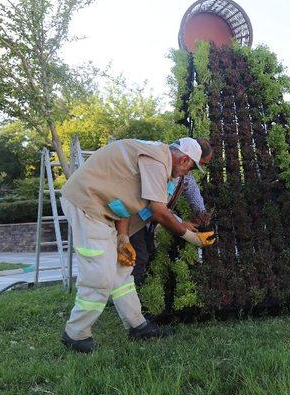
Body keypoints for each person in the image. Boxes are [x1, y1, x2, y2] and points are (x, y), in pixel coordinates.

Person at [59, 137, 215, 353]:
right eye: (191, 167)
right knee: (100, 274)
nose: (188, 173)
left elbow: (124, 200)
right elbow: (158, 211)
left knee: (122, 271)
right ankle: (75, 334)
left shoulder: (157, 157)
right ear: (184, 159)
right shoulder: (157, 161)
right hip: (87, 204)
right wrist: (189, 236)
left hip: (103, 208)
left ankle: (137, 325)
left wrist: (123, 237)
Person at [129, 138, 213, 287]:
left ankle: (133, 292)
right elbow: (159, 210)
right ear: (188, 158)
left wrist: (203, 215)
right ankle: (133, 292)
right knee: (139, 257)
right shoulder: (163, 167)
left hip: (143, 218)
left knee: (145, 252)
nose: (200, 168)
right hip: (133, 215)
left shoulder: (182, 171)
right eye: (200, 163)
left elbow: (192, 192)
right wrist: (187, 232)